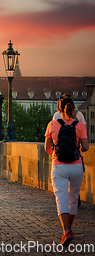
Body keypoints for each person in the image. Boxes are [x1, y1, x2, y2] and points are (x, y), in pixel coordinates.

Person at [44, 95, 89, 246]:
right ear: (73, 108)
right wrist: (77, 150)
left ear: (59, 108)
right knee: (73, 198)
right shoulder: (80, 125)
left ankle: (66, 231)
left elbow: (47, 147)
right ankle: (69, 228)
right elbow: (86, 147)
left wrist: (56, 155)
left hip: (59, 166)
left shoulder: (52, 124)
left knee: (61, 198)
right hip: (76, 166)